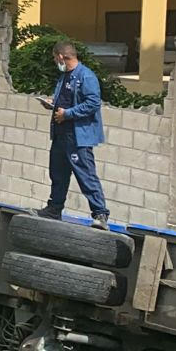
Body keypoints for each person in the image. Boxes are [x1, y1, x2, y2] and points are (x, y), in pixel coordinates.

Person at [37, 41, 110, 228]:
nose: (55, 61)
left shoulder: (86, 76)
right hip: (61, 134)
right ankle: (54, 209)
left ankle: (100, 214)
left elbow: (93, 103)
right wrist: (52, 103)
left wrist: (67, 114)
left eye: (55, 58)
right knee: (58, 173)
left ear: (61, 56)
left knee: (86, 175)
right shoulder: (64, 77)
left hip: (78, 136)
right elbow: (67, 99)